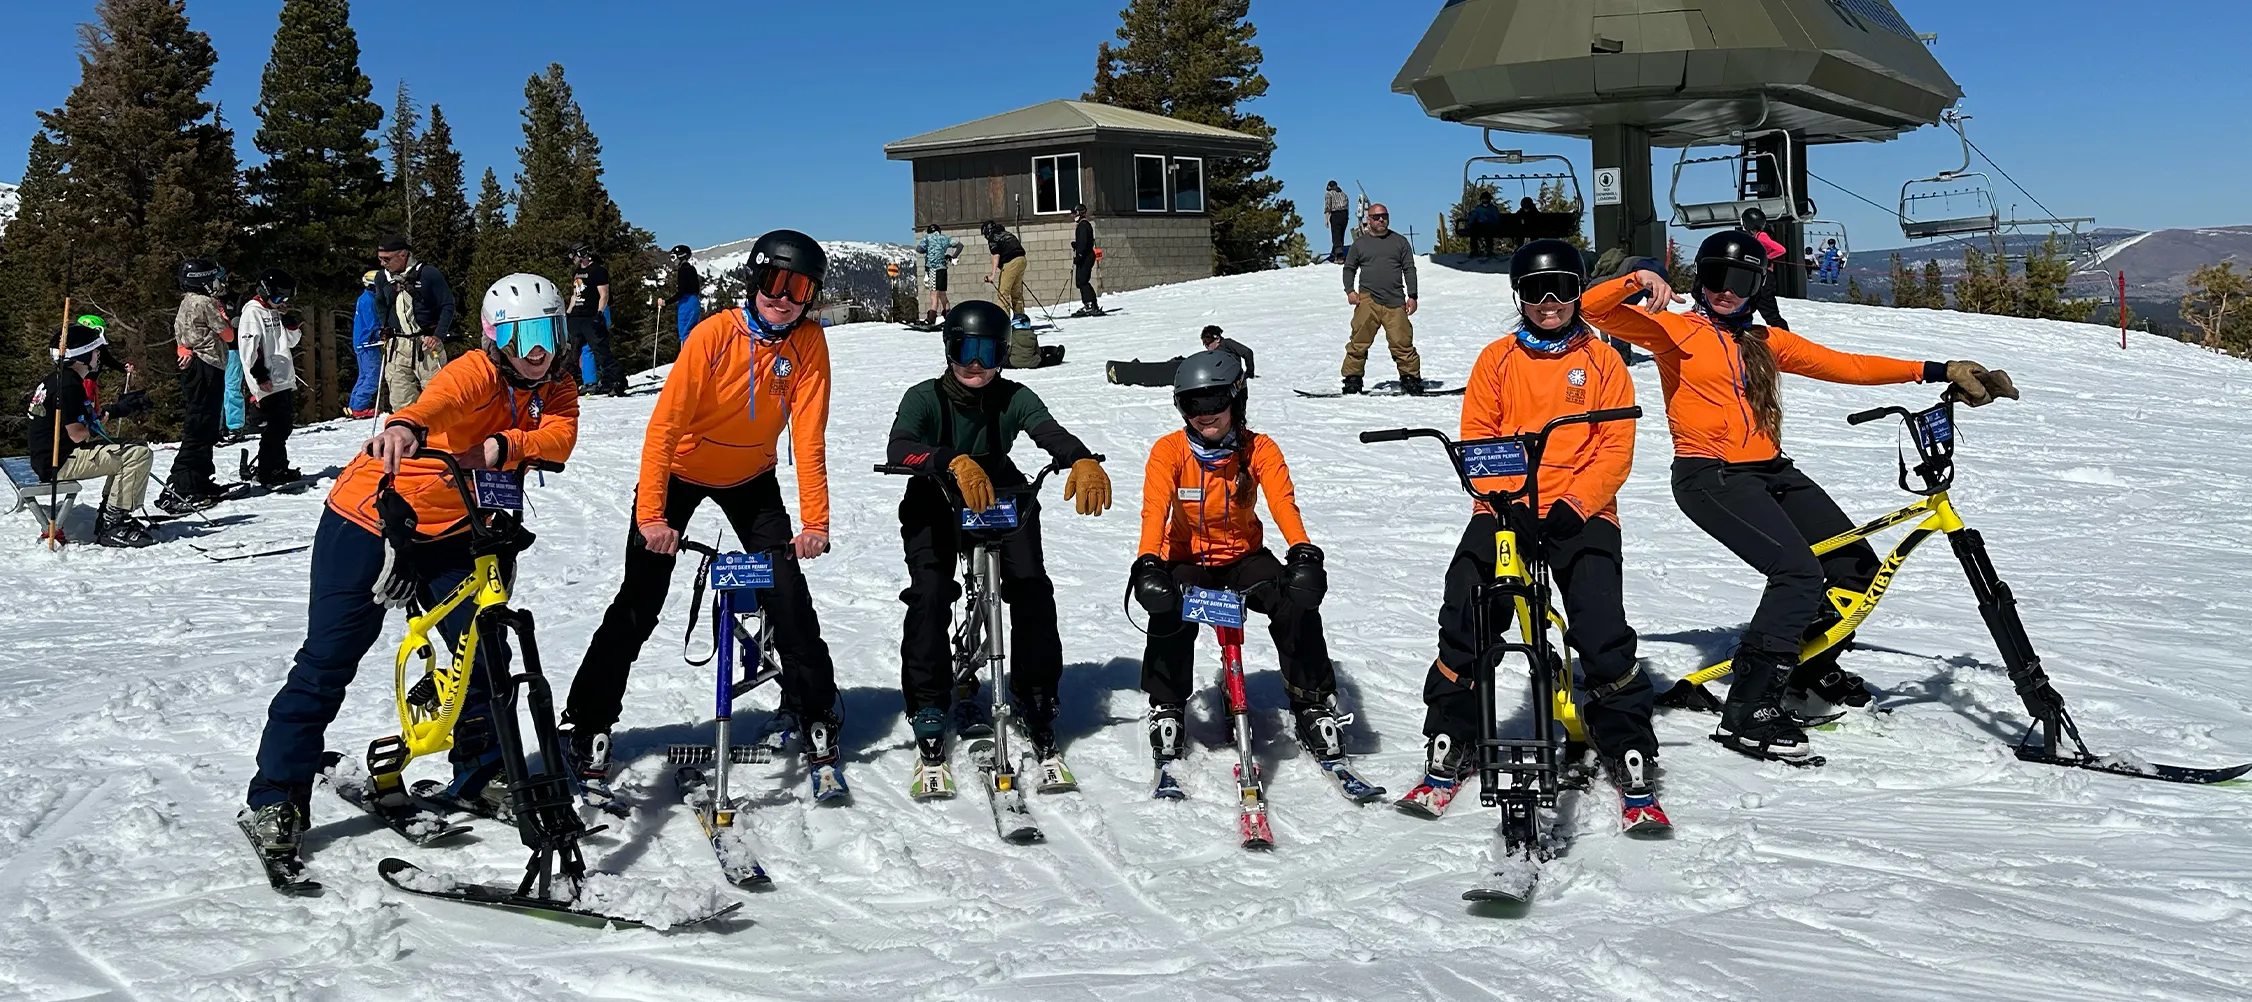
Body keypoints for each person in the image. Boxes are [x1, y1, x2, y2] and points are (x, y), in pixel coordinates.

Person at [1582, 231, 2019, 762]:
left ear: (1756, 286)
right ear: (1700, 281)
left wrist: (1938, 370)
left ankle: (1807, 671)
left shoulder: (1766, 342)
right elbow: (1595, 310)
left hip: (1771, 471)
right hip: (1710, 477)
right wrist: (1638, 277)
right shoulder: (1675, 332)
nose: (1725, 291)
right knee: (1797, 574)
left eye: (1739, 280)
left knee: (1855, 566)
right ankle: (1747, 707)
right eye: (1715, 278)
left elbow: (1847, 365)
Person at [238, 272, 579, 868]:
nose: (538, 352)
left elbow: (560, 439)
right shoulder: (474, 370)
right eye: (524, 335)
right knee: (328, 661)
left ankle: (481, 774)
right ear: (495, 336)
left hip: (450, 532)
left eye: (549, 332)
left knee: (483, 654)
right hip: (370, 520)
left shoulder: (555, 388)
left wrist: (500, 450)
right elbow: (436, 400)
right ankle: (275, 797)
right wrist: (405, 425)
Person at [565, 229, 844, 797]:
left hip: (751, 478)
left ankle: (814, 712)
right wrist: (651, 518)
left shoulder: (808, 344)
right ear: (754, 279)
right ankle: (588, 722)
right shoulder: (715, 335)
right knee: (639, 602)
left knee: (786, 595)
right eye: (774, 281)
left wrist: (815, 523)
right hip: (680, 474)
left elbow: (809, 437)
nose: (784, 297)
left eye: (800, 288)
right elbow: (663, 428)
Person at [1397, 239, 1663, 829]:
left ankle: (1626, 742)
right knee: (1466, 612)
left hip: (1583, 511)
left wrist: (1576, 502)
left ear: (1577, 293)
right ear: (1519, 297)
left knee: (1599, 625)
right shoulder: (1497, 359)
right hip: (1505, 510)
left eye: (1563, 290)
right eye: (1536, 293)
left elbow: (1615, 447)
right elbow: (1479, 439)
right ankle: (1452, 735)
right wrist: (1506, 500)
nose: (1550, 303)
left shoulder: (1603, 362)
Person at [885, 300, 1113, 793]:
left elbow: (1047, 430)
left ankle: (1036, 691)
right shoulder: (924, 397)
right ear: (949, 348)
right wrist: (949, 460)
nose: (975, 364)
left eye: (987, 352)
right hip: (935, 495)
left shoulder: (1014, 396)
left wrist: (1080, 458)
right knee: (929, 593)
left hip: (1002, 490)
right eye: (965, 349)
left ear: (1003, 356)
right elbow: (900, 446)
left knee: (1031, 586)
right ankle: (927, 701)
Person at [1128, 350, 1347, 768]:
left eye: (1214, 403)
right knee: (1167, 605)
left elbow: (1283, 502)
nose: (1204, 415)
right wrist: (1148, 562)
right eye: (1193, 405)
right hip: (1187, 557)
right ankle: (1167, 704)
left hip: (1243, 557)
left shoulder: (1257, 449)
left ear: (1236, 399)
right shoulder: (1169, 451)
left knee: (1293, 598)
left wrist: (1302, 549)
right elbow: (1154, 509)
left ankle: (1311, 699)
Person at [29, 320, 156, 547]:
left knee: (133, 446)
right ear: (82, 356)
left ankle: (111, 515)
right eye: (96, 350)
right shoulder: (68, 385)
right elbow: (78, 434)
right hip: (58, 462)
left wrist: (114, 411)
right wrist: (97, 424)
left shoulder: (60, 378)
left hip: (52, 456)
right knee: (137, 454)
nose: (100, 356)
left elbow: (76, 422)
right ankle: (114, 524)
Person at [159, 258, 231, 513]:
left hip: (196, 366)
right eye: (214, 280)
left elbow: (182, 335)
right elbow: (228, 334)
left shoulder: (187, 301)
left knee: (205, 422)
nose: (218, 285)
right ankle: (184, 484)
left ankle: (200, 478)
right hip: (207, 366)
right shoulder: (205, 302)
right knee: (200, 423)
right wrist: (224, 315)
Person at [1339, 202, 1424, 395]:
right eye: (1376, 217)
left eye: (1384, 216)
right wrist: (1350, 291)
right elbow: (1349, 268)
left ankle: (1410, 378)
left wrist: (1413, 296)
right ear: (1368, 220)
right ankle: (1353, 379)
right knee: (1359, 341)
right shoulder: (1360, 244)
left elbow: (1409, 269)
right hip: (1367, 300)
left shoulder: (1400, 242)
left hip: (1395, 301)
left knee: (1402, 342)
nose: (1380, 220)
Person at [372, 234, 456, 410]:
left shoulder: (428, 274)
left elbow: (447, 305)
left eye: (386, 259)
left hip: (426, 343)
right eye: (380, 259)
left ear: (403, 254)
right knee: (400, 399)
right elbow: (380, 303)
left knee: (438, 397)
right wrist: (385, 326)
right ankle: (408, 434)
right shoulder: (382, 278)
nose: (382, 263)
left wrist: (438, 335)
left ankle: (439, 435)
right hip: (397, 345)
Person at [237, 269, 304, 486]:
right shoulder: (252, 313)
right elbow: (249, 349)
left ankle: (277, 465)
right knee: (277, 427)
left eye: (285, 298)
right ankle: (269, 469)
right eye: (277, 298)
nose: (281, 302)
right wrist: (259, 375)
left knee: (283, 425)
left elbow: (291, 342)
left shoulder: (275, 311)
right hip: (266, 381)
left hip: (283, 378)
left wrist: (290, 321)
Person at [569, 243, 623, 396]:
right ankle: (589, 382)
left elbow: (604, 294)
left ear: (582, 254)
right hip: (580, 315)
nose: (572, 258)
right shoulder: (577, 272)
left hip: (594, 313)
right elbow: (576, 294)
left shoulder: (598, 271)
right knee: (584, 350)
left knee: (600, 348)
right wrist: (569, 311)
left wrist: (600, 313)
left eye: (573, 255)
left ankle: (613, 380)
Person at [1738, 208, 1791, 328]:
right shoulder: (1756, 236)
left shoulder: (1762, 236)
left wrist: (1766, 258)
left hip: (1765, 279)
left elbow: (1781, 249)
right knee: (1744, 307)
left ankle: (1784, 336)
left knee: (1769, 311)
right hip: (1758, 277)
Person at [981, 220, 1029, 331]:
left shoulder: (993, 237)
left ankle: (1003, 324)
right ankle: (1021, 321)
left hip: (1011, 262)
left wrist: (992, 275)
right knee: (1016, 293)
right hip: (1022, 260)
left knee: (1003, 294)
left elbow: (996, 256)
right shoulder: (1007, 234)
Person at [347, 270, 381, 419]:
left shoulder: (366, 297)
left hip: (362, 342)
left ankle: (354, 405)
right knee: (372, 375)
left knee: (364, 375)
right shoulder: (368, 300)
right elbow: (371, 322)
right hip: (368, 343)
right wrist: (381, 332)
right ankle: (359, 407)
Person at [915, 224, 956, 324]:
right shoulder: (943, 239)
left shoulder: (928, 238)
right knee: (942, 295)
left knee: (934, 295)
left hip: (933, 269)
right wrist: (953, 256)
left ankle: (931, 318)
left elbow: (919, 249)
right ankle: (949, 316)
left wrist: (928, 250)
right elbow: (959, 245)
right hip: (943, 269)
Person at [1069, 203, 1104, 318]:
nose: (1073, 216)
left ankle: (1090, 304)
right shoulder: (1082, 225)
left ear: (1080, 213)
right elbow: (1084, 242)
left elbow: (1084, 243)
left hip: (1086, 256)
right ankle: (1091, 304)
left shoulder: (1083, 225)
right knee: (1081, 281)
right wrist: (1076, 245)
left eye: (1075, 213)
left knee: (1082, 281)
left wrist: (1079, 254)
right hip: (1086, 255)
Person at [669, 245, 702, 344]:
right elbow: (696, 289)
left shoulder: (683, 270)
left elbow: (681, 291)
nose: (673, 261)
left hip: (686, 303)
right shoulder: (692, 269)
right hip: (694, 302)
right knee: (693, 331)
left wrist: (666, 302)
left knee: (685, 333)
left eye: (673, 257)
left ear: (680, 256)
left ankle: (686, 356)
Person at [1465, 191, 1504, 259]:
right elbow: (1474, 216)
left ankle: (1489, 249)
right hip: (1480, 225)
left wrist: (1496, 225)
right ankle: (1474, 249)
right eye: (1483, 200)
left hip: (1490, 225)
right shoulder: (1478, 208)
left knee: (1488, 232)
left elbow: (1497, 218)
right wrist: (1470, 223)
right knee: (1473, 231)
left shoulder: (1492, 209)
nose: (1485, 202)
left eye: (1486, 200)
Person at [1324, 181, 1350, 262]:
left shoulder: (1329, 194)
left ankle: (1339, 257)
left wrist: (1327, 219)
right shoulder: (1344, 194)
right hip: (1344, 215)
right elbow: (1347, 206)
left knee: (1336, 236)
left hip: (1336, 214)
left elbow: (1328, 206)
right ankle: (1334, 254)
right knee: (1341, 236)